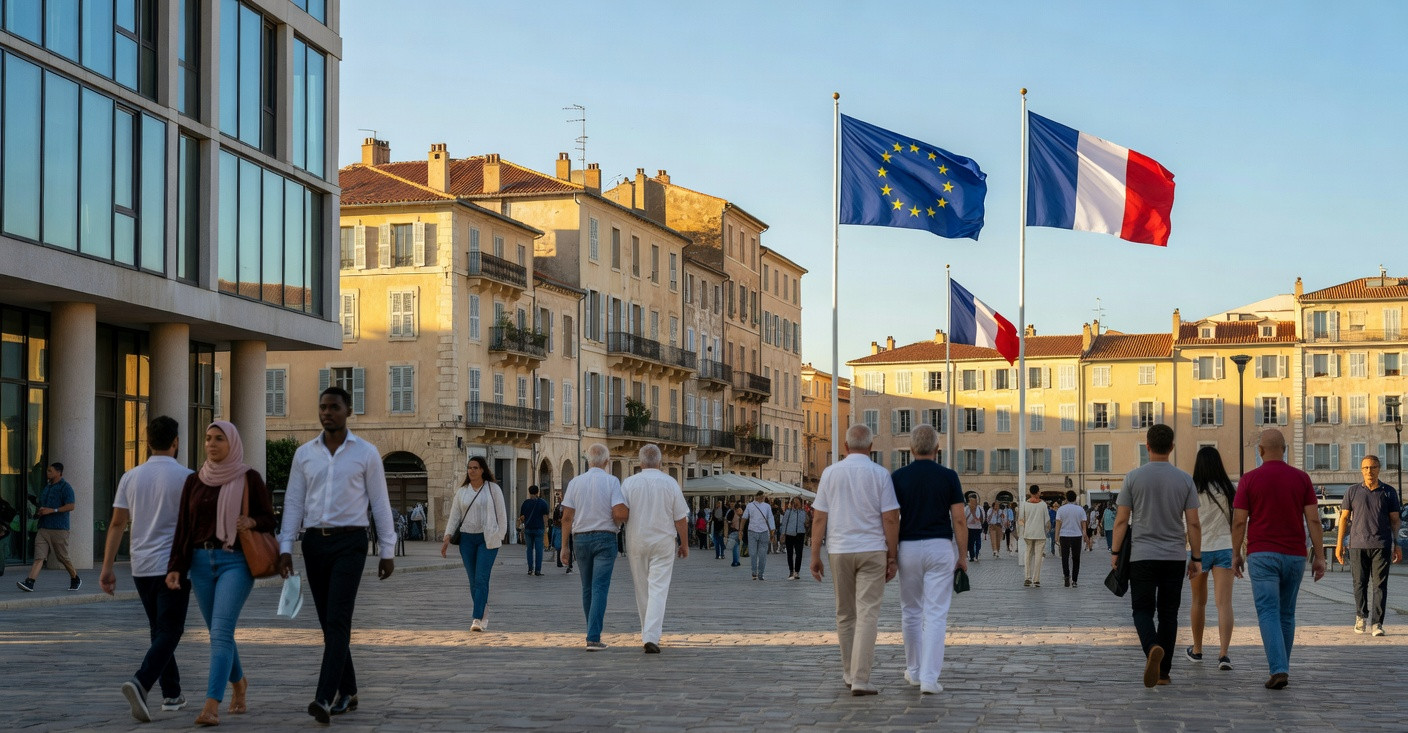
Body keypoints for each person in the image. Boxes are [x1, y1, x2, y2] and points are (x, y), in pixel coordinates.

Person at [276, 387, 397, 724]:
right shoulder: (304, 455)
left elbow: (380, 502)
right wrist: (286, 547)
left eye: (334, 407)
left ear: (348, 410)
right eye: (322, 407)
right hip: (314, 543)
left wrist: (387, 550)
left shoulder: (367, 453)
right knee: (329, 624)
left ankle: (324, 698)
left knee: (338, 619)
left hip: (351, 543)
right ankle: (349, 689)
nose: (327, 412)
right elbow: (294, 503)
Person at [165, 421, 274, 726]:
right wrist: (176, 567)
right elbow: (184, 528)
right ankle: (239, 683)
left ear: (233, 443)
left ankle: (211, 704)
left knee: (221, 631)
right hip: (200, 563)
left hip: (235, 562)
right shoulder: (195, 481)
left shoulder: (248, 477)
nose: (211, 444)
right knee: (217, 631)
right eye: (208, 438)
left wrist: (251, 523)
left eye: (219, 439)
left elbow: (268, 519)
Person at [101, 416, 194, 722]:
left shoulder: (131, 477)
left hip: (140, 566)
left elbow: (117, 523)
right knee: (171, 630)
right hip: (173, 566)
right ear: (176, 442)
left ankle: (172, 694)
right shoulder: (188, 478)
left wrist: (107, 568)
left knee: (159, 629)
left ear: (148, 442)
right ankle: (141, 683)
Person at [1231, 428, 1326, 689]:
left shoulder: (1249, 480)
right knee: (1286, 613)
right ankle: (1282, 666)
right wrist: (1319, 556)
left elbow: (1239, 522)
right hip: (1294, 555)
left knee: (1268, 611)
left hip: (1262, 554)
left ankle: (1279, 668)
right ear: (1284, 450)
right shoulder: (1301, 479)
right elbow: (1314, 519)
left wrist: (1236, 554)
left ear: (1260, 450)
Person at [809, 424, 900, 696]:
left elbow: (819, 518)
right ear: (871, 447)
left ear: (845, 447)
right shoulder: (880, 474)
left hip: (839, 549)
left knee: (845, 614)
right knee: (867, 613)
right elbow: (891, 517)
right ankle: (861, 677)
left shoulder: (830, 473)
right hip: (872, 549)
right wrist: (892, 556)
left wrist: (814, 555)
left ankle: (849, 673)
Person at [1109, 424, 1200, 688]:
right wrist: (1196, 557)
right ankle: (1163, 673)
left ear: (1147, 446)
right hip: (1174, 556)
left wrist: (1115, 553)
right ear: (1172, 447)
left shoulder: (1133, 478)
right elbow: (1193, 523)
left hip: (1142, 556)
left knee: (1142, 610)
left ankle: (1151, 647)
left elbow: (1122, 521)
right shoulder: (1184, 479)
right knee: (1169, 614)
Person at [890, 424, 966, 695]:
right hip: (939, 546)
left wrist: (891, 554)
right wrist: (963, 555)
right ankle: (929, 679)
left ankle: (913, 671)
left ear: (910, 449)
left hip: (908, 546)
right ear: (938, 449)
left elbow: (891, 518)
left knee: (910, 611)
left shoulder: (898, 477)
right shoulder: (948, 476)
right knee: (936, 613)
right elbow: (958, 518)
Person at [620, 444, 689, 653]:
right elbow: (680, 518)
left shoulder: (629, 483)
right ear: (660, 462)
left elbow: (621, 513)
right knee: (658, 588)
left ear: (640, 462)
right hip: (663, 541)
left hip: (637, 539)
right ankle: (651, 634)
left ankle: (647, 633)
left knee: (642, 588)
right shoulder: (670, 483)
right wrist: (684, 543)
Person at [560, 443, 628, 650]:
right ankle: (593, 637)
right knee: (599, 587)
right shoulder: (612, 481)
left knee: (587, 587)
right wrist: (622, 519)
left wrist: (564, 546)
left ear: (588, 461)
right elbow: (618, 513)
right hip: (605, 538)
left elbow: (566, 517)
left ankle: (592, 632)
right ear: (607, 462)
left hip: (580, 538)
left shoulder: (575, 483)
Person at [1335, 455, 1402, 637]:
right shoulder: (1352, 491)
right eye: (1365, 468)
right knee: (1359, 583)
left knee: (1380, 585)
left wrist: (1396, 544)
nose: (1369, 471)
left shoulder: (1388, 492)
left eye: (1372, 467)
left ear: (1379, 469)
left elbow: (1395, 521)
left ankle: (1377, 623)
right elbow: (1343, 519)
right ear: (1361, 470)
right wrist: (1339, 544)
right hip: (1357, 545)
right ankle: (1360, 616)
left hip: (1381, 545)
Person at [442, 456, 508, 630]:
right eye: (469, 468)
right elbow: (455, 514)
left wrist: (500, 535)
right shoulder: (462, 491)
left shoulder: (493, 489)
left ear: (483, 470)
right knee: (473, 581)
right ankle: (483, 610)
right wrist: (447, 536)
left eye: (475, 468)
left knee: (481, 578)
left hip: (487, 539)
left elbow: (501, 513)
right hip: (467, 540)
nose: (472, 471)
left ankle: (477, 619)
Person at [1186, 446, 1237, 671]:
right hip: (1225, 547)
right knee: (1224, 603)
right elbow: (1237, 521)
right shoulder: (1229, 489)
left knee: (1198, 601)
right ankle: (1223, 654)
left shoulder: (1191, 489)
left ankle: (1197, 650)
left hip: (1199, 549)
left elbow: (1185, 523)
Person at [16, 462, 80, 592]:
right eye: (47, 471)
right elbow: (44, 505)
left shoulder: (66, 487)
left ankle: (75, 578)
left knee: (62, 557)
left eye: (50, 471)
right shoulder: (47, 487)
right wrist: (41, 511)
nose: (47, 473)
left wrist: (52, 510)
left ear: (58, 472)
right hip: (43, 527)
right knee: (39, 556)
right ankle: (30, 582)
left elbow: (71, 506)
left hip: (59, 529)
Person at [1055, 490, 1088, 587]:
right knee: (1076, 558)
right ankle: (1074, 580)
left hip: (1064, 535)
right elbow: (1083, 523)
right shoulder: (1080, 509)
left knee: (1064, 557)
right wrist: (1085, 534)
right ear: (1075, 498)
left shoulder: (1061, 509)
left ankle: (1066, 575)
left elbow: (1058, 523)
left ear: (1066, 498)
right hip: (1077, 535)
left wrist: (1056, 536)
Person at [1017, 485, 1049, 587]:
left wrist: (1023, 530)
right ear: (1038, 492)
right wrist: (1047, 531)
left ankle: (1027, 577)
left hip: (1028, 533)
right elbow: (1047, 521)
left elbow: (1021, 520)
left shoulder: (1025, 504)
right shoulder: (1043, 505)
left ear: (1030, 493)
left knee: (1028, 554)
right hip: (1040, 533)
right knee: (1038, 556)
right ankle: (1036, 579)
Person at [519, 485, 549, 576]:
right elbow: (545, 517)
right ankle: (538, 570)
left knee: (529, 549)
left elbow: (522, 517)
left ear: (529, 492)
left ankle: (530, 569)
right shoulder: (543, 503)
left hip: (528, 529)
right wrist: (546, 527)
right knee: (539, 550)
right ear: (538, 492)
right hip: (539, 529)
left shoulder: (525, 503)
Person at [745, 491, 776, 580]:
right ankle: (754, 571)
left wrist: (772, 531)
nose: (763, 498)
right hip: (752, 531)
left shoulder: (767, 506)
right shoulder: (750, 505)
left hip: (764, 531)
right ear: (757, 497)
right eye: (762, 496)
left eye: (763, 497)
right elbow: (744, 517)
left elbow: (770, 518)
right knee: (753, 553)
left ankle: (761, 573)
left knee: (762, 555)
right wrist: (740, 530)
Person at [781, 497, 809, 580]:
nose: (796, 503)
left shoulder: (803, 512)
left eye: (798, 502)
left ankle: (796, 571)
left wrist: (807, 524)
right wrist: (783, 534)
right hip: (789, 534)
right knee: (789, 554)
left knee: (799, 554)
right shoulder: (788, 512)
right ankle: (791, 571)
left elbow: (807, 523)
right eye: (794, 502)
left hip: (800, 534)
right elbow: (784, 523)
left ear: (800, 503)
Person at [551, 491, 572, 572]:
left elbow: (555, 518)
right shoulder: (570, 506)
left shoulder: (559, 506)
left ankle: (560, 562)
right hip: (568, 528)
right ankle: (569, 564)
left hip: (560, 527)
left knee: (560, 545)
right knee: (569, 545)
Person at [962, 495, 984, 562]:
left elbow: (983, 518)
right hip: (969, 528)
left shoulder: (980, 508)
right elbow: (963, 518)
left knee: (978, 543)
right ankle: (972, 556)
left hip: (978, 527)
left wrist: (977, 519)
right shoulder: (966, 508)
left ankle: (976, 555)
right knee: (970, 543)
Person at [727, 499, 745, 567]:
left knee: (735, 547)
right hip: (740, 531)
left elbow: (728, 521)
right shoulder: (743, 512)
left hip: (733, 531)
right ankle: (737, 561)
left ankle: (735, 562)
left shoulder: (731, 512)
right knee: (737, 546)